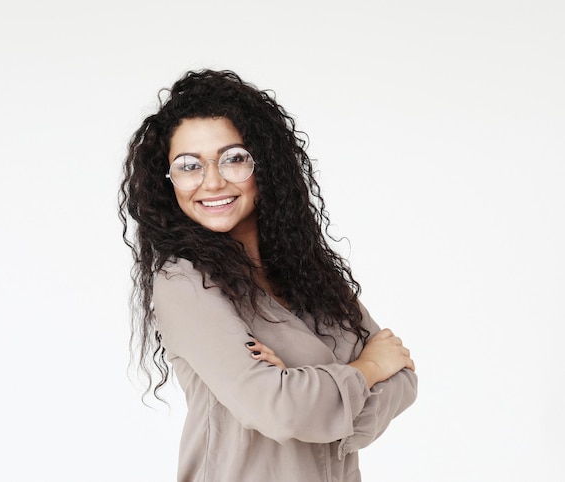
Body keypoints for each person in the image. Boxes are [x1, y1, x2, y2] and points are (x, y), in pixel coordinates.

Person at [119, 69, 417, 482]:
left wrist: (306, 393)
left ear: (265, 165)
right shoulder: (185, 282)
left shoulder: (308, 271)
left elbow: (402, 377)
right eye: (189, 166)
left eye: (234, 158)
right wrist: (364, 372)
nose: (213, 181)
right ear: (167, 181)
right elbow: (282, 412)